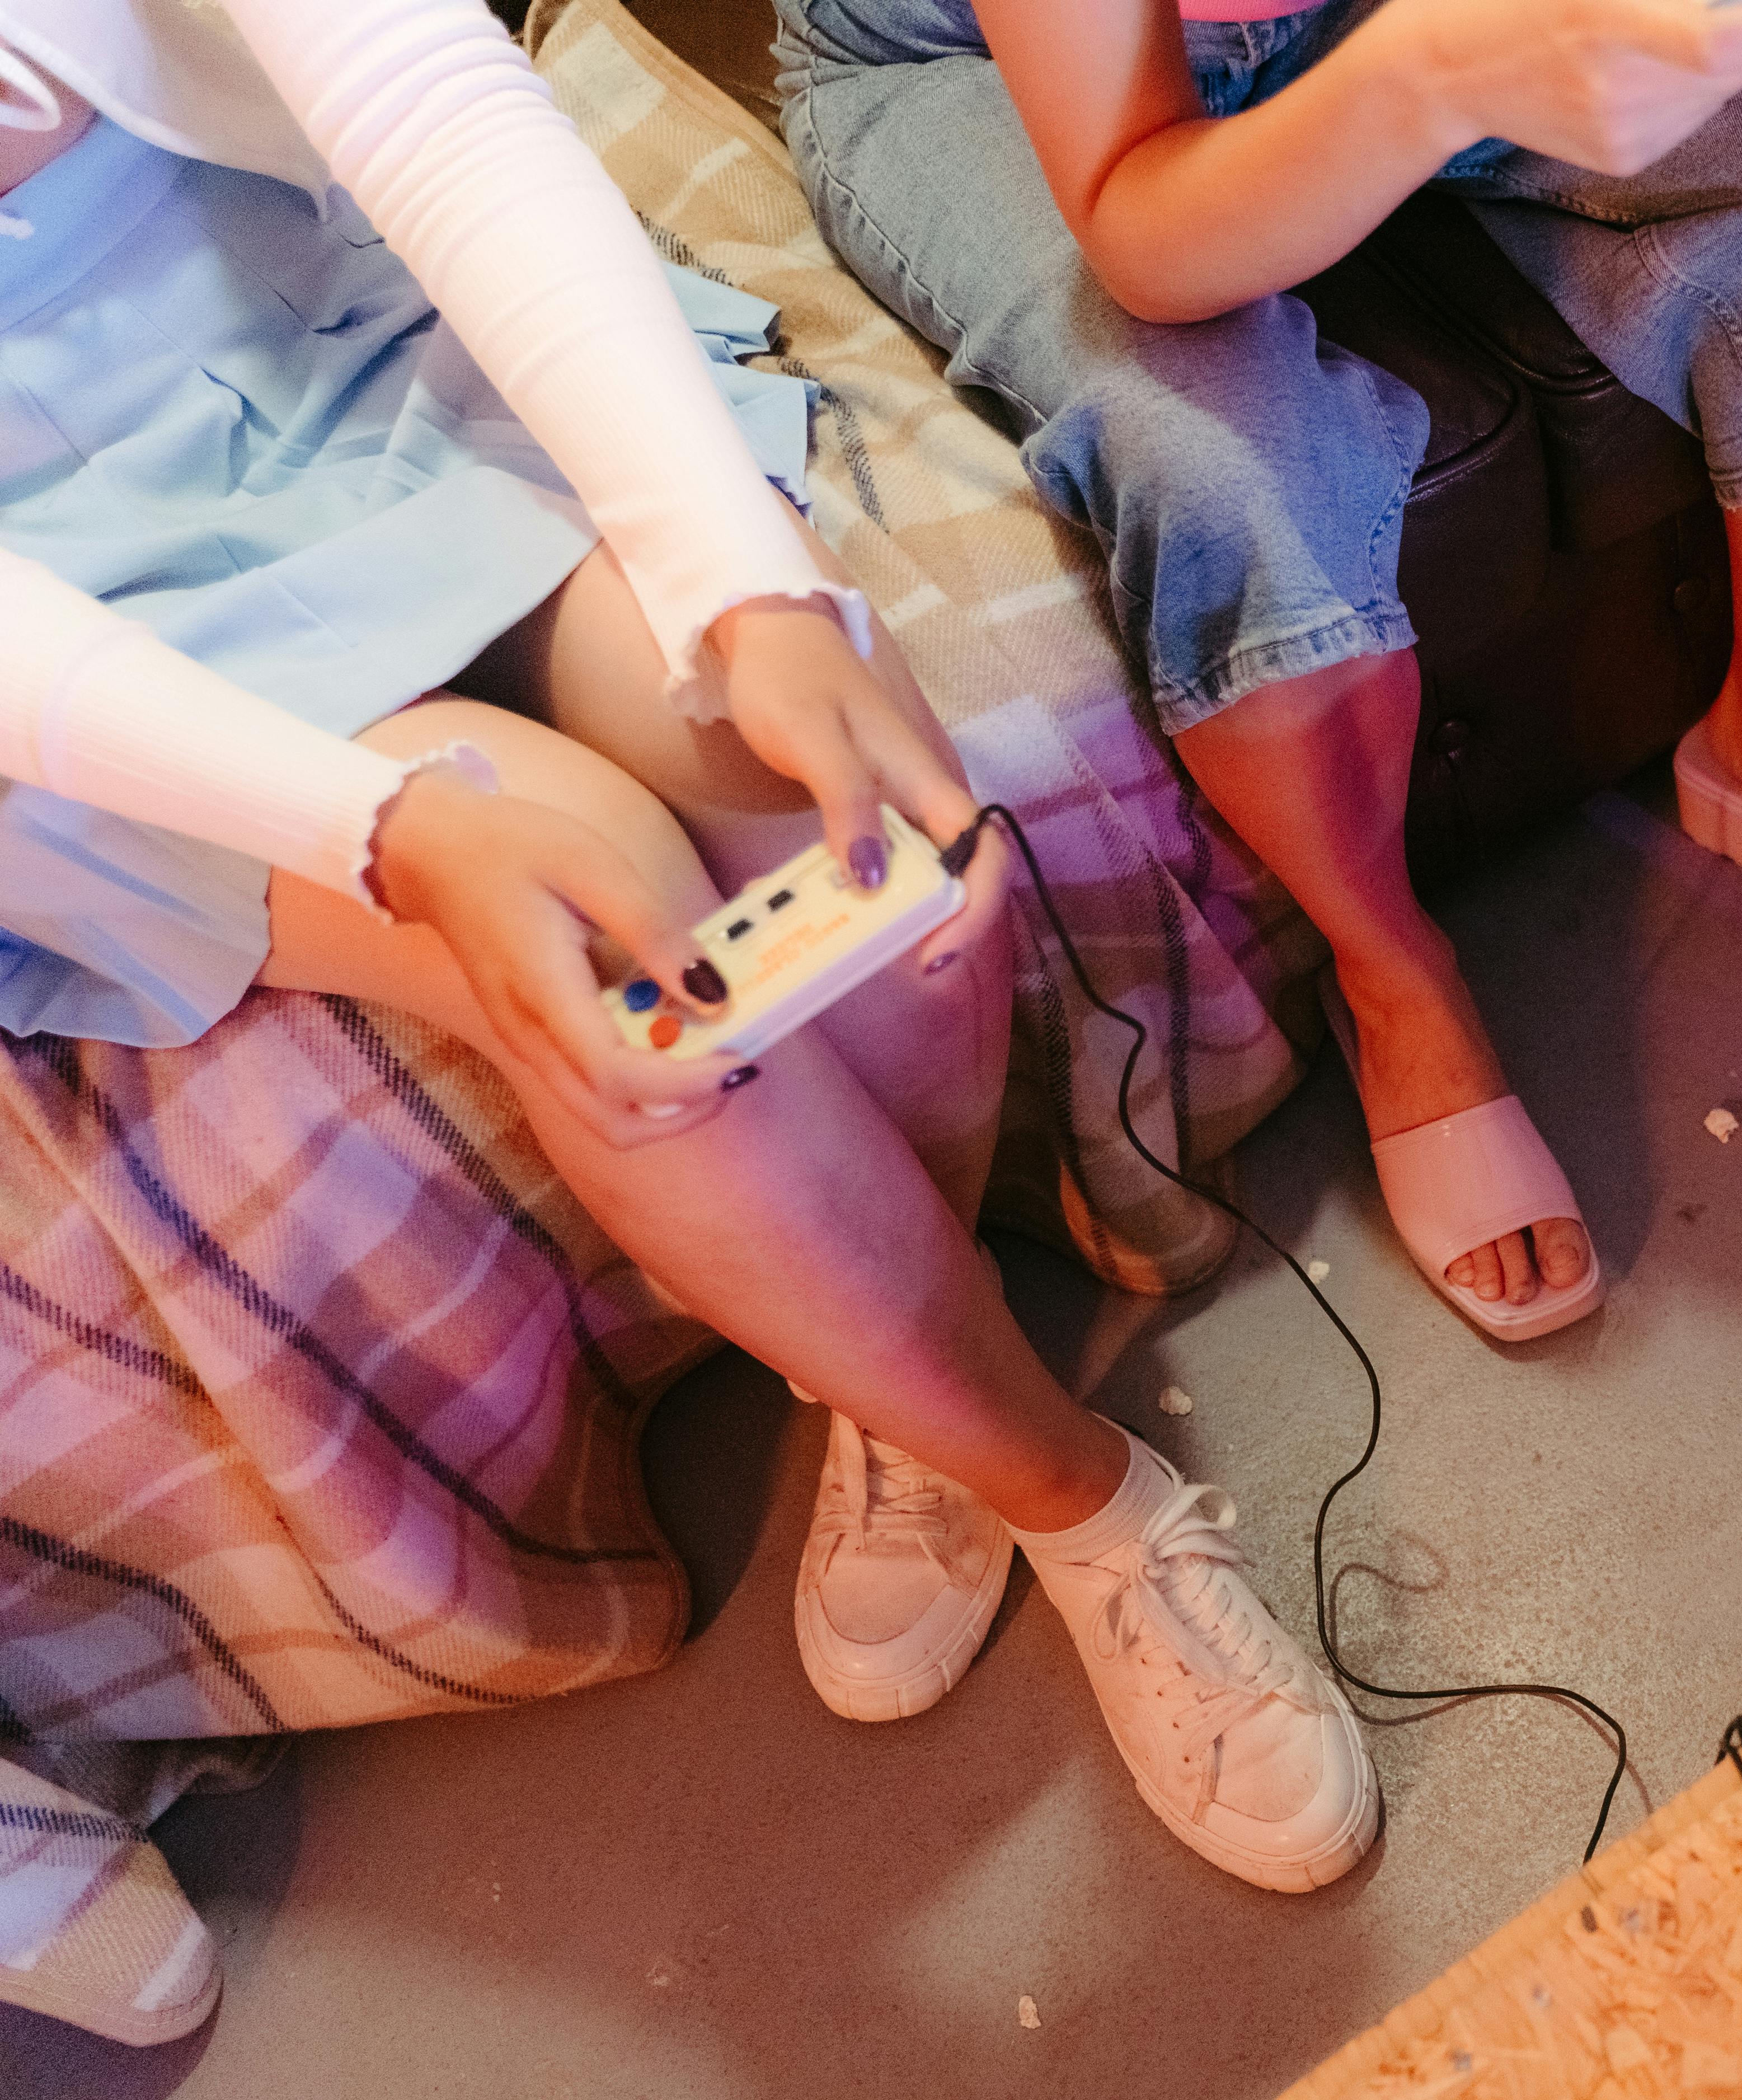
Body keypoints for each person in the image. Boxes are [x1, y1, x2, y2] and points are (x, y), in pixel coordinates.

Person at [0, 0, 1378, 1977]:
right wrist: (368, 831)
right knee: (619, 948)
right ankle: (1084, 1500)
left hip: (309, 304)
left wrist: (745, 581)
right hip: (61, 630)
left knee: (844, 812)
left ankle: (899, 1379)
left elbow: (408, 82)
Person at [776, 0, 1742, 1344]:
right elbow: (1151, 241)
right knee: (1223, 458)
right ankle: (1393, 977)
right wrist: (1437, 68)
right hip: (999, 78)